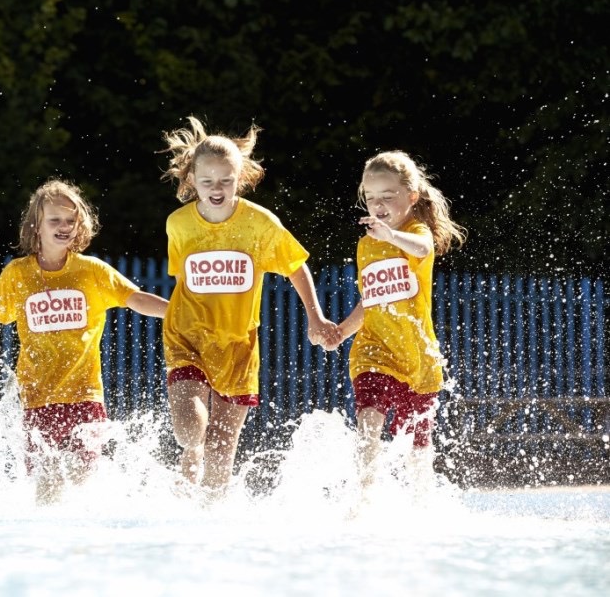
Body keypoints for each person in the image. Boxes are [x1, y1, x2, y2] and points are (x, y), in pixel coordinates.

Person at [159, 116, 339, 497]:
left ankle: (207, 517)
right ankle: (190, 460)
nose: (217, 188)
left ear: (239, 177)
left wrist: (316, 316)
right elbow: (182, 283)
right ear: (192, 181)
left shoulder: (259, 224)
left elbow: (295, 265)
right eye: (207, 182)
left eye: (226, 180)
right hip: (187, 337)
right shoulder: (178, 224)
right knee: (190, 429)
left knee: (221, 451)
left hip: (238, 346)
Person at [0, 179, 168, 505]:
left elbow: (134, 297)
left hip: (85, 396)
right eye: (55, 220)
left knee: (79, 473)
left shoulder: (90, 271)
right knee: (47, 483)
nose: (64, 227)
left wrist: (177, 313)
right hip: (36, 400)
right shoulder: (18, 274)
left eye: (70, 220)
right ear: (37, 225)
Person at [332, 150, 466, 496]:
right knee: (368, 420)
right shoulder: (366, 245)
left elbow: (423, 248)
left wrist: (391, 236)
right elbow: (372, 297)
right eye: (371, 197)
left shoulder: (414, 231)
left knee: (418, 445)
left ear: (411, 197)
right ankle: (364, 497)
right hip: (373, 349)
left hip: (416, 357)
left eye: (388, 196)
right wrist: (343, 330)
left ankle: (422, 503)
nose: (378, 204)